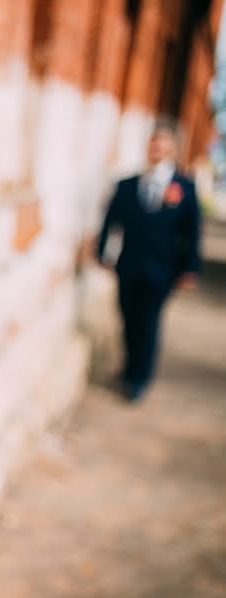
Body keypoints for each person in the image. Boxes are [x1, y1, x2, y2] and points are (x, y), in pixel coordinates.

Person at [96, 122, 202, 402]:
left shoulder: (185, 188)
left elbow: (192, 232)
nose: (159, 150)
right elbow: (110, 221)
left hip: (162, 269)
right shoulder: (128, 185)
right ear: (149, 147)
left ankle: (139, 378)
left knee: (149, 321)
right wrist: (103, 252)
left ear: (173, 151)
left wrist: (189, 269)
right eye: (155, 144)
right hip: (129, 264)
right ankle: (129, 367)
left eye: (165, 146)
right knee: (128, 318)